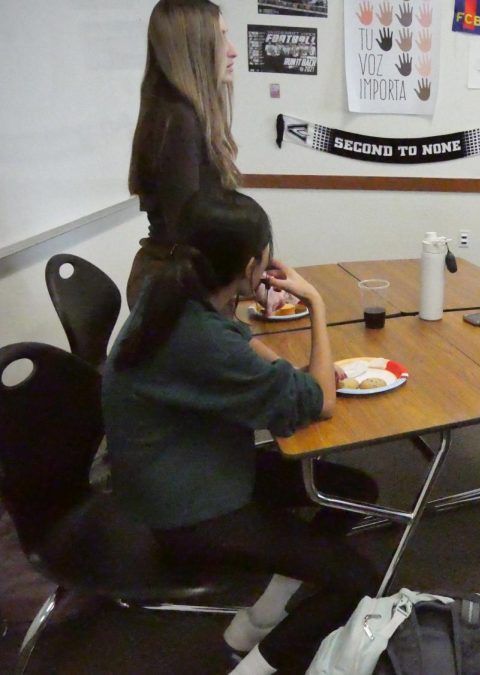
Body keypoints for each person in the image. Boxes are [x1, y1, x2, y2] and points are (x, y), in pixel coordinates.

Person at [104, 191, 379, 674]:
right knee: (358, 578)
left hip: (175, 472)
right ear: (252, 264)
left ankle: (260, 618)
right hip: (190, 511)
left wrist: (296, 378)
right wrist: (313, 301)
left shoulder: (168, 295)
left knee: (354, 489)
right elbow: (322, 403)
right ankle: (249, 669)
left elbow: (241, 347)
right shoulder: (198, 336)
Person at [126, 0, 240, 308]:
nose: (233, 51)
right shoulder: (179, 119)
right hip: (175, 292)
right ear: (195, 48)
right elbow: (192, 232)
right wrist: (246, 282)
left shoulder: (175, 112)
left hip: (177, 283)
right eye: (221, 39)